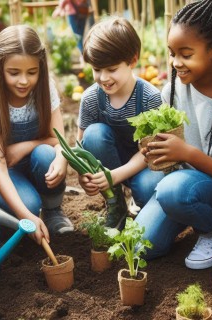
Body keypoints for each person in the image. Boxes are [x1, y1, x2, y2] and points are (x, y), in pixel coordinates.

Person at [135, 0, 212, 269]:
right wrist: (157, 151)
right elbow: (170, 160)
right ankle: (186, 212)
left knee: (172, 189)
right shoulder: (172, 91)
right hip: (179, 184)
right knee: (140, 247)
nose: (176, 62)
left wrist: (188, 153)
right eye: (172, 53)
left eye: (185, 54)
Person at [0, 25, 74, 245]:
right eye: (14, 73)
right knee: (28, 206)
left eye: (32, 72)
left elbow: (58, 140)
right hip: (6, 174)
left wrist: (54, 155)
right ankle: (9, 208)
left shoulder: (45, 89)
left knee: (46, 155)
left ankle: (53, 211)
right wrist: (27, 216)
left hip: (36, 163)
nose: (23, 81)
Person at [77, 16, 164, 230]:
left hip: (143, 164)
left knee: (148, 188)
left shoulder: (149, 97)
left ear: (132, 61)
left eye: (112, 69)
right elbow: (81, 144)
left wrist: (114, 176)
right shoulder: (91, 98)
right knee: (94, 133)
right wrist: (83, 176)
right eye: (97, 69)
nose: (103, 77)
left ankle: (142, 205)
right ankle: (116, 203)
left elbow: (150, 151)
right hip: (109, 161)